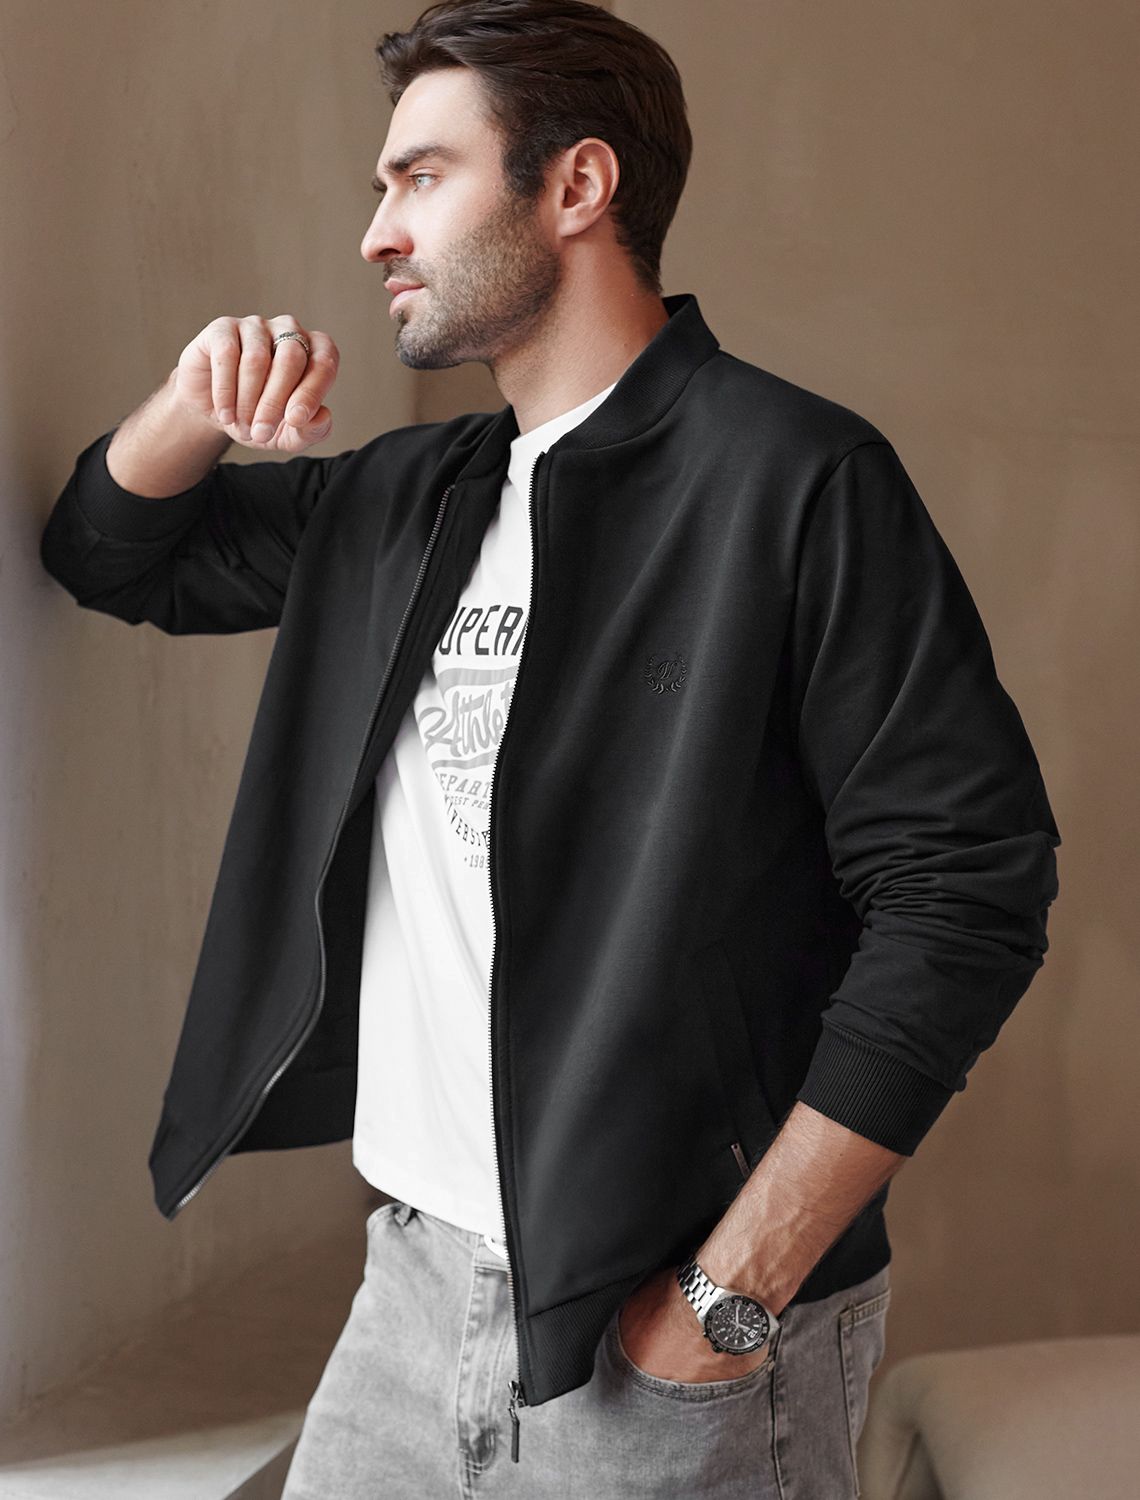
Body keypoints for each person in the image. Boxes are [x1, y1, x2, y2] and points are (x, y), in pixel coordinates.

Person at [39, 2, 1061, 1495]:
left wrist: (731, 1294)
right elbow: (111, 550)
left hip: (671, 1325)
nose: (378, 232)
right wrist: (199, 401)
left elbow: (968, 893)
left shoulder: (794, 480)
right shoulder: (402, 500)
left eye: (421, 176)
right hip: (407, 1295)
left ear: (576, 186)